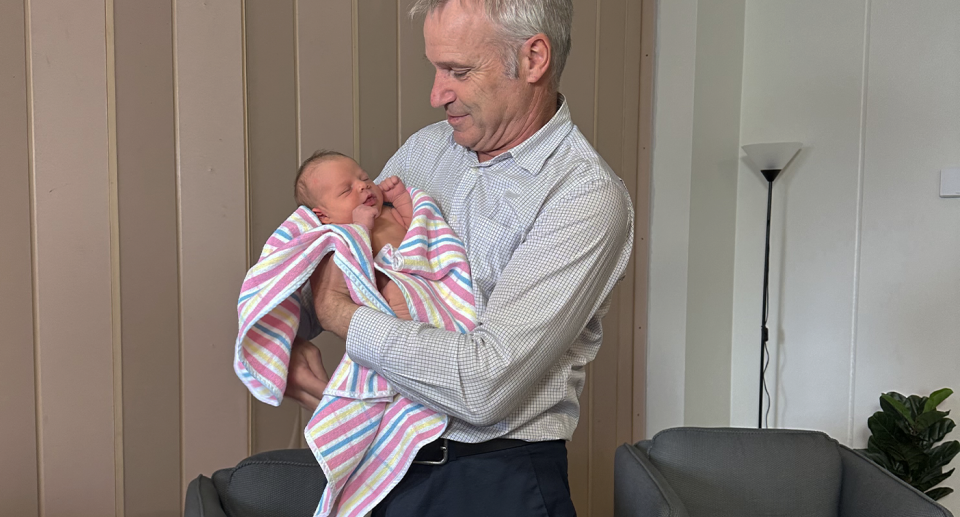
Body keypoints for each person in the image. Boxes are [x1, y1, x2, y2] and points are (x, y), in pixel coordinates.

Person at [290, 0, 634, 514]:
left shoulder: (584, 197)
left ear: (533, 58)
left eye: (458, 70)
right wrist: (290, 329)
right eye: (435, 68)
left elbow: (484, 385)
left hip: (494, 482)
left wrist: (339, 314)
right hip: (385, 460)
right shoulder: (424, 152)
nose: (436, 94)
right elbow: (350, 259)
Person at [294, 150, 413, 320]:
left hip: (420, 275)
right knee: (395, 291)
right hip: (392, 297)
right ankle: (406, 328)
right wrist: (361, 228)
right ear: (324, 216)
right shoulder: (340, 236)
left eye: (364, 178)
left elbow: (416, 228)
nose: (362, 185)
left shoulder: (388, 212)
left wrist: (401, 198)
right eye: (346, 190)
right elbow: (352, 270)